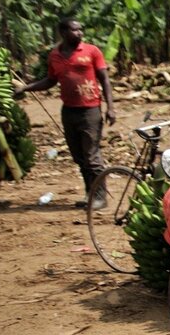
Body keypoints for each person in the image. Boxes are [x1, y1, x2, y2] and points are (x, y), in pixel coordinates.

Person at [14, 17, 115, 208]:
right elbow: (50, 81)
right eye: (75, 30)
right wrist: (26, 88)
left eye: (80, 30)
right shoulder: (54, 55)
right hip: (69, 111)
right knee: (78, 156)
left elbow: (105, 80)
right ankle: (90, 194)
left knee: (92, 156)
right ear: (63, 33)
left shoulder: (91, 51)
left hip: (90, 110)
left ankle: (100, 197)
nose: (79, 33)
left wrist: (110, 107)